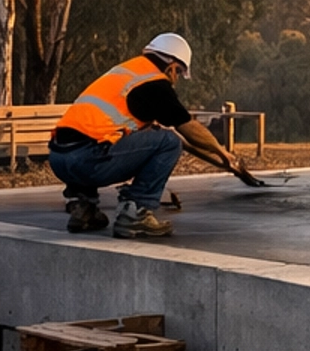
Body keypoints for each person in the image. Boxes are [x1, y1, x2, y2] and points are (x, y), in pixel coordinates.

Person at [47, 33, 257, 239]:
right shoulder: (155, 83)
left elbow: (181, 142)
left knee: (141, 139)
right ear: (172, 66)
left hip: (59, 159)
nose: (175, 81)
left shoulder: (125, 73)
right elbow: (186, 130)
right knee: (169, 142)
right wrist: (222, 151)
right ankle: (136, 211)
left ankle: (84, 209)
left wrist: (224, 161)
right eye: (178, 74)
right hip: (89, 160)